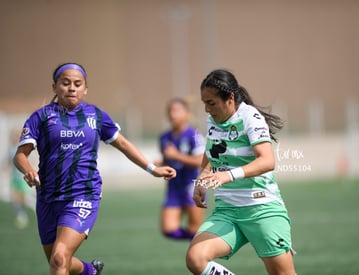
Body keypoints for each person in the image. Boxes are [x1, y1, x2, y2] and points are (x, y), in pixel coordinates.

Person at [13, 62, 176, 275]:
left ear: (85, 89)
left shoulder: (95, 116)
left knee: (60, 257)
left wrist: (153, 168)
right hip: (47, 197)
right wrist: (28, 170)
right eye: (65, 83)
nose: (72, 88)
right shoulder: (41, 117)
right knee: (59, 261)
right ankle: (89, 271)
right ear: (54, 87)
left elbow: (124, 144)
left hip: (83, 194)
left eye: (77, 84)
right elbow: (20, 155)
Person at [185, 69, 296, 275]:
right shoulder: (213, 120)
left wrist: (228, 175)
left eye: (211, 103)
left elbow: (267, 161)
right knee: (195, 258)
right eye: (204, 103)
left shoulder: (250, 118)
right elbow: (212, 151)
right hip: (227, 211)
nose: (207, 110)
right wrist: (201, 179)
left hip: (261, 208)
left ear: (230, 98)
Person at [157, 98, 205, 240]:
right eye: (170, 111)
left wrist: (176, 155)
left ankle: (202, 251)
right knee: (168, 229)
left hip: (192, 185)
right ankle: (197, 242)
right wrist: (162, 163)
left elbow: (200, 161)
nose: (173, 114)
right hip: (174, 186)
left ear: (186, 113)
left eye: (177, 110)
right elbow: (169, 160)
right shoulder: (164, 137)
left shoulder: (193, 135)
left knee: (194, 228)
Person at [7, 129, 35, 229]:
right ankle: (21, 217)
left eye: (15, 136)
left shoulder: (22, 149)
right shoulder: (11, 149)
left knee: (22, 197)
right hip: (15, 178)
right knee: (15, 198)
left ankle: (34, 206)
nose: (13, 138)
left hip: (22, 177)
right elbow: (8, 162)